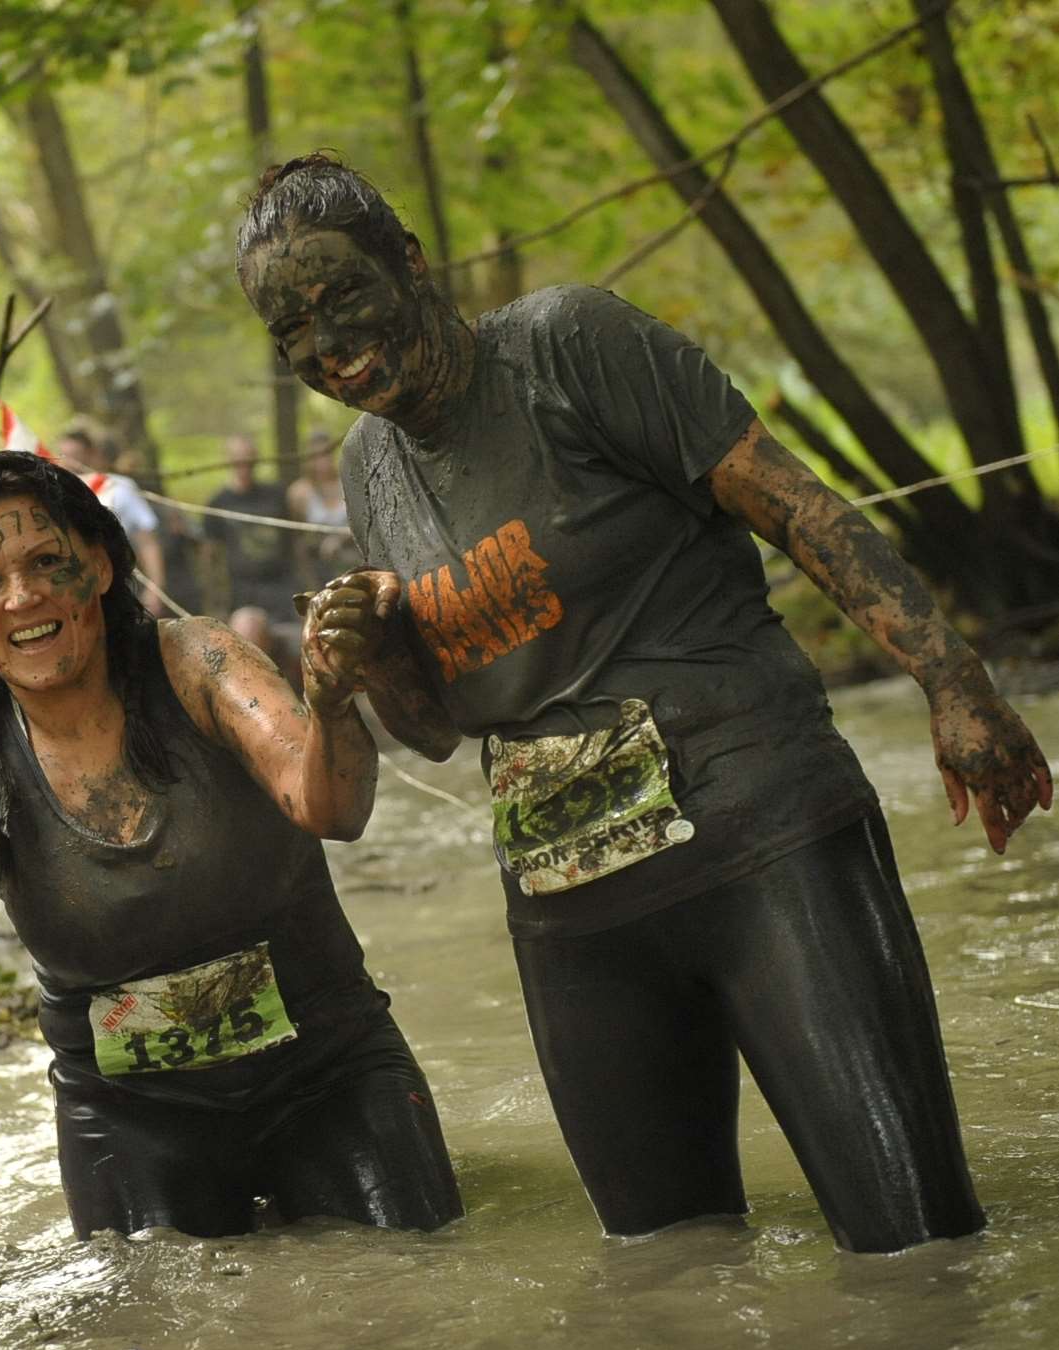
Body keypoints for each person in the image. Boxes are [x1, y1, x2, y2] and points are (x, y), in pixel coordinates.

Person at [235, 153, 1053, 1253]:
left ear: (410, 262)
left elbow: (794, 504)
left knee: (916, 1247)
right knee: (666, 1278)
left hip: (761, 832)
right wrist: (368, 658)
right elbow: (438, 726)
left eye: (343, 294)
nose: (329, 342)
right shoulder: (367, 467)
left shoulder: (565, 344)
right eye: (294, 329)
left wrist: (954, 683)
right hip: (570, 906)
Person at [0, 449, 464, 1240]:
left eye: (48, 562)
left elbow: (331, 805)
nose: (22, 598)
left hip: (326, 1068)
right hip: (131, 1114)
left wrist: (329, 701)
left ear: (103, 565)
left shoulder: (197, 661)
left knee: (418, 1272)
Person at [53, 425, 171, 614]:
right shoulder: (54, 494)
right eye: (63, 455)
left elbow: (147, 541)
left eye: (75, 455)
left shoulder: (117, 488)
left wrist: (155, 588)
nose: (69, 462)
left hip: (119, 587)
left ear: (91, 454)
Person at [204, 434, 300, 619]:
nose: (244, 465)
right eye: (238, 459)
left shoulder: (276, 495)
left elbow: (295, 543)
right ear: (228, 460)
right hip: (243, 592)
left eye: (248, 458)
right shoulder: (218, 503)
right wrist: (215, 603)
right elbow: (211, 556)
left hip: (282, 586)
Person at [287, 428, 354, 589]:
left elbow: (363, 524)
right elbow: (297, 537)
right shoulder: (299, 492)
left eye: (326, 454)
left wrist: (339, 540)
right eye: (317, 456)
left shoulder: (348, 483)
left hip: (351, 557)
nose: (323, 461)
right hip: (318, 564)